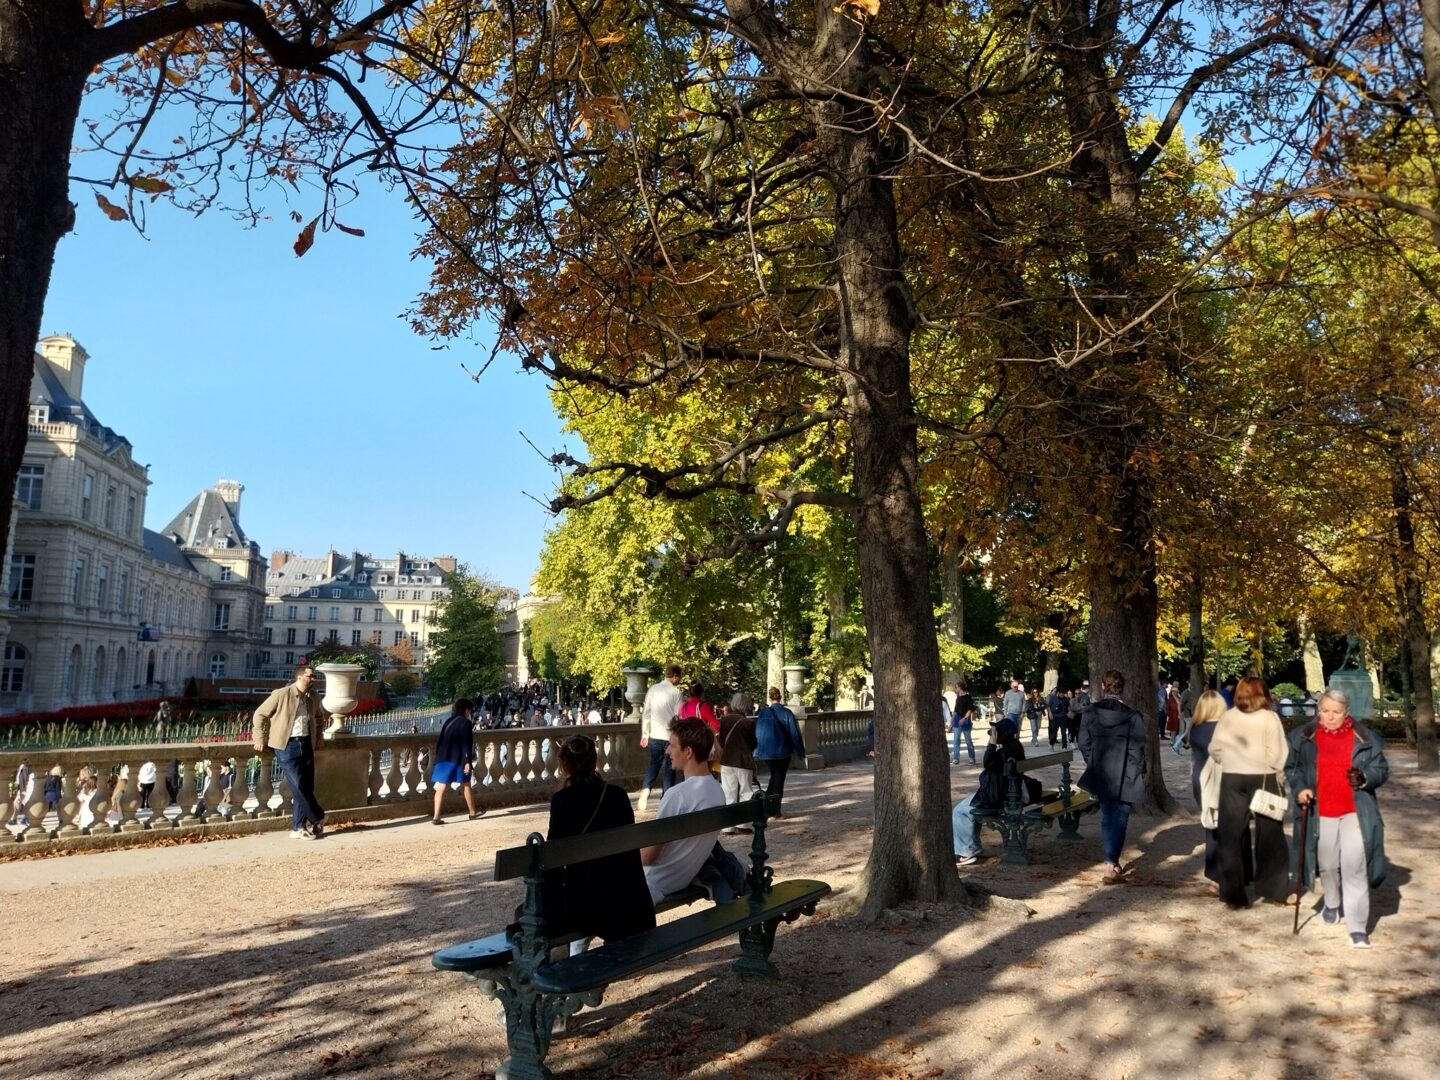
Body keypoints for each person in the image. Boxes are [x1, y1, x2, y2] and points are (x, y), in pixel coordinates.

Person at [1285, 687, 1388, 948]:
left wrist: (1365, 778)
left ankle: (1358, 928)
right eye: (1325, 711)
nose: (1329, 717)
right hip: (1321, 812)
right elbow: (1293, 769)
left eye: (1336, 712)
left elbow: (1380, 769)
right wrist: (1300, 788)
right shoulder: (1303, 737)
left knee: (1354, 867)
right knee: (1328, 864)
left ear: (1347, 712)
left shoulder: (1364, 737)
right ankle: (1331, 902)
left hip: (1355, 811)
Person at [545, 734, 656, 953]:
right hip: (628, 899)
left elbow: (553, 857)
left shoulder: (562, 801)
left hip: (589, 904)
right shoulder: (617, 795)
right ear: (594, 762)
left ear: (564, 766)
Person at [1208, 674, 1289, 909]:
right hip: (1264, 776)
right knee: (1270, 834)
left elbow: (1215, 748)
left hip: (1233, 777)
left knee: (1230, 836)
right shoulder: (1270, 717)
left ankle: (1233, 894)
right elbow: (1279, 753)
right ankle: (1274, 889)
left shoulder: (1228, 716)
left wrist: (1230, 759)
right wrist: (1269, 766)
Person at [642, 717, 726, 903]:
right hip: (680, 879)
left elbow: (648, 857)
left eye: (672, 746)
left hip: (653, 881)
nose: (667, 751)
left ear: (688, 752)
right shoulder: (717, 791)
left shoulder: (677, 795)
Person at [1077, 669, 1147, 885]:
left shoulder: (1090, 712)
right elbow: (1138, 749)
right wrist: (1137, 769)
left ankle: (1111, 863)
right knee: (1121, 817)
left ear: (1102, 686)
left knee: (1108, 816)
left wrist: (1093, 761)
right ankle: (1111, 863)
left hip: (1102, 771)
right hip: (1126, 772)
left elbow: (1083, 743)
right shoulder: (1133, 716)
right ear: (1122, 688)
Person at [252, 664, 329, 840]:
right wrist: (259, 738)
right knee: (299, 784)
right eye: (310, 676)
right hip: (286, 744)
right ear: (299, 677)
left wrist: (319, 737)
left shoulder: (313, 696)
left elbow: (319, 718)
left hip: (306, 743)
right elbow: (260, 714)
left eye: (314, 676)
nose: (313, 679)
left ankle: (298, 828)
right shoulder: (281, 694)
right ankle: (318, 816)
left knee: (305, 786)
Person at [952, 719, 1038, 866]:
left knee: (959, 811)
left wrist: (991, 744)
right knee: (969, 807)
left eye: (996, 731)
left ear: (1002, 734)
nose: (993, 734)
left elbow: (988, 763)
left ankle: (966, 852)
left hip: (999, 797)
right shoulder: (1016, 748)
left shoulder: (1003, 753)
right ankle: (973, 846)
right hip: (1011, 794)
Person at [1186, 689, 1227, 894]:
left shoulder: (1195, 730)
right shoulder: (1225, 730)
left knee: (1211, 826)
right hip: (1222, 779)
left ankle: (1214, 875)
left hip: (1201, 780)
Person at [638, 664, 684, 811]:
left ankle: (646, 789)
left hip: (655, 734)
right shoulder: (677, 693)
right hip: (670, 735)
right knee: (670, 768)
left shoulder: (653, 689)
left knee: (654, 764)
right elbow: (678, 716)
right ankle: (666, 798)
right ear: (675, 676)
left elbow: (646, 713)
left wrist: (645, 734)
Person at [754, 687, 806, 811]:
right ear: (780, 697)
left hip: (766, 752)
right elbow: (794, 734)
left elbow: (757, 733)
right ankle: (773, 806)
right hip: (783, 751)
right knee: (779, 778)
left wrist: (756, 751)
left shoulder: (763, 713)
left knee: (775, 775)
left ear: (769, 698)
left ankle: (769, 803)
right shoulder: (787, 713)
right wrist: (800, 751)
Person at [431, 698, 482, 824]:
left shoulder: (448, 721)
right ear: (467, 710)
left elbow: (440, 741)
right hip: (458, 759)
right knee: (466, 785)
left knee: (441, 787)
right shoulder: (466, 723)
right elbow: (467, 744)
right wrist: (468, 761)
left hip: (443, 758)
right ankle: (472, 813)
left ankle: (436, 817)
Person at [718, 692, 758, 833]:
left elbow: (721, 740)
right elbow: (753, 743)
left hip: (727, 759)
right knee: (746, 791)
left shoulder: (724, 720)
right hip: (743, 760)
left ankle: (728, 825)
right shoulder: (749, 723)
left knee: (728, 792)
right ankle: (744, 824)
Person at [951, 682, 976, 765]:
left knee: (968, 741)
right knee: (956, 741)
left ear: (960, 688)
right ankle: (955, 758)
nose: (955, 689)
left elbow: (969, 710)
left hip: (965, 721)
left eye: (956, 687)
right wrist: (951, 722)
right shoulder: (958, 698)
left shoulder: (968, 697)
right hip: (956, 721)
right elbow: (955, 711)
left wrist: (964, 719)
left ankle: (972, 758)